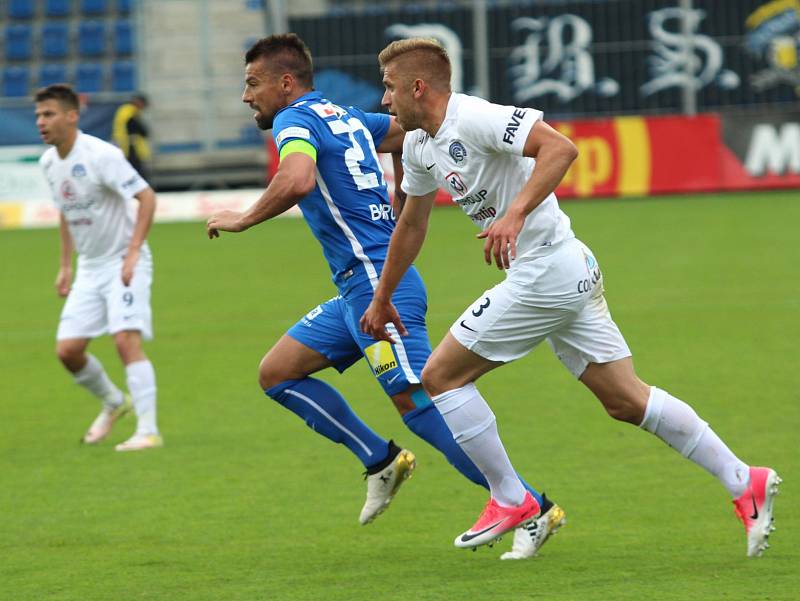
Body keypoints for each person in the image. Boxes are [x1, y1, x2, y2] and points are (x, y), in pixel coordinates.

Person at [360, 38, 781, 557]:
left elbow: (560, 148)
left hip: (546, 272)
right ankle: (745, 480)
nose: (384, 101)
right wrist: (383, 297)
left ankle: (512, 500)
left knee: (441, 377)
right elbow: (411, 225)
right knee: (626, 400)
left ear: (417, 87)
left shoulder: (474, 117)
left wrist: (513, 214)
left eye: (389, 88)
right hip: (567, 270)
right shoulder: (421, 144)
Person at [205, 34, 564, 558]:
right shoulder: (343, 116)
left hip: (378, 285)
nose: (246, 96)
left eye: (253, 83)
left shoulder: (294, 121)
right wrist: (402, 195)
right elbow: (405, 134)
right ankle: (380, 460)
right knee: (278, 373)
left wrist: (242, 218)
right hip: (355, 287)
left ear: (286, 83)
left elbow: (298, 178)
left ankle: (532, 505)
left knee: (421, 400)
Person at [35, 84, 163, 451]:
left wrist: (135, 251)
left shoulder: (100, 155)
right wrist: (65, 266)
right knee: (68, 351)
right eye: (38, 115)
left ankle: (148, 430)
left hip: (124, 259)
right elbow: (66, 212)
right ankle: (113, 402)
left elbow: (146, 197)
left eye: (49, 114)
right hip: (90, 267)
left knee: (125, 339)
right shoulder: (48, 162)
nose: (41, 122)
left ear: (72, 116)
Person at [112, 93, 152, 182]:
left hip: (126, 146)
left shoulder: (126, 111)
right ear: (138, 102)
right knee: (136, 172)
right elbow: (138, 129)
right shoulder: (129, 112)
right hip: (129, 147)